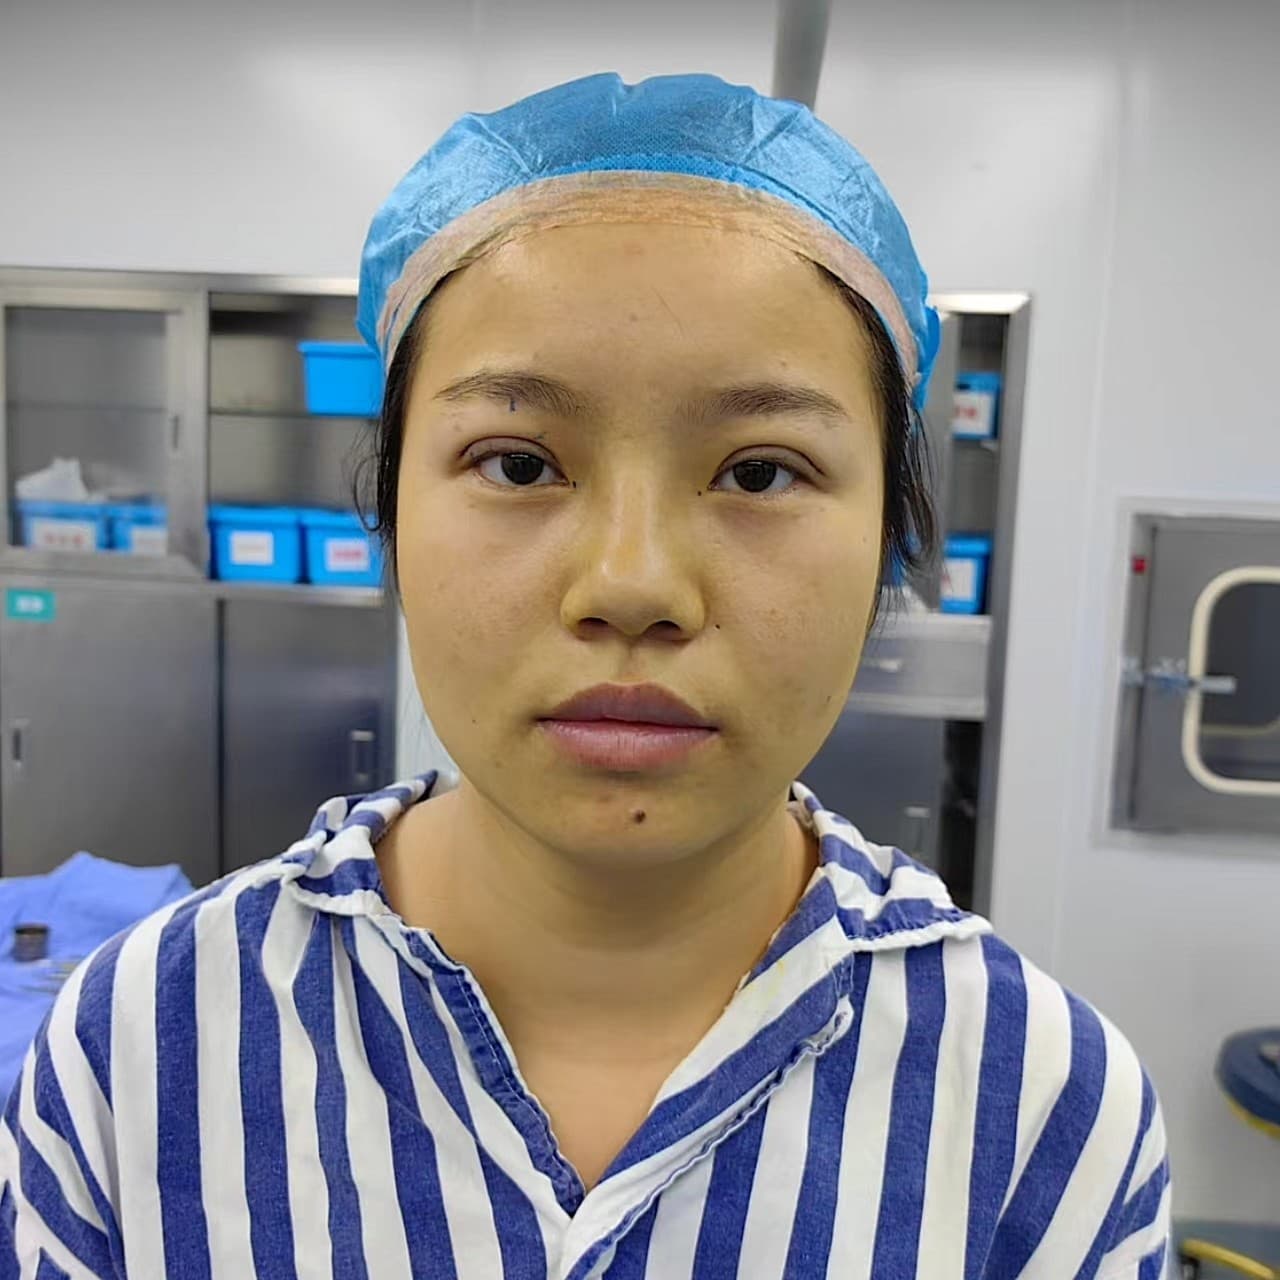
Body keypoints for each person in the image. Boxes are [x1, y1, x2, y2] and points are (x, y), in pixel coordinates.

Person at [0, 72, 1169, 1279]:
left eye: (759, 471)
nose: (631, 582)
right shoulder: (144, 1046)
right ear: (388, 515)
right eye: (517, 463)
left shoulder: (1040, 1115)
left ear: (889, 538)